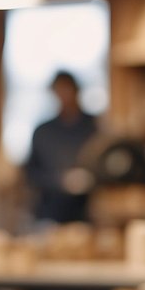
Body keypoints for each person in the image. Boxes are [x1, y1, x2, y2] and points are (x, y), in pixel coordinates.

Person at [22, 70, 99, 225]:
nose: (64, 96)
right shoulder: (43, 131)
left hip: (88, 211)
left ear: (76, 91)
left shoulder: (94, 127)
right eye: (59, 91)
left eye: (68, 90)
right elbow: (31, 173)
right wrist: (60, 181)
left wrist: (87, 179)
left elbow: (106, 166)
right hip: (51, 210)